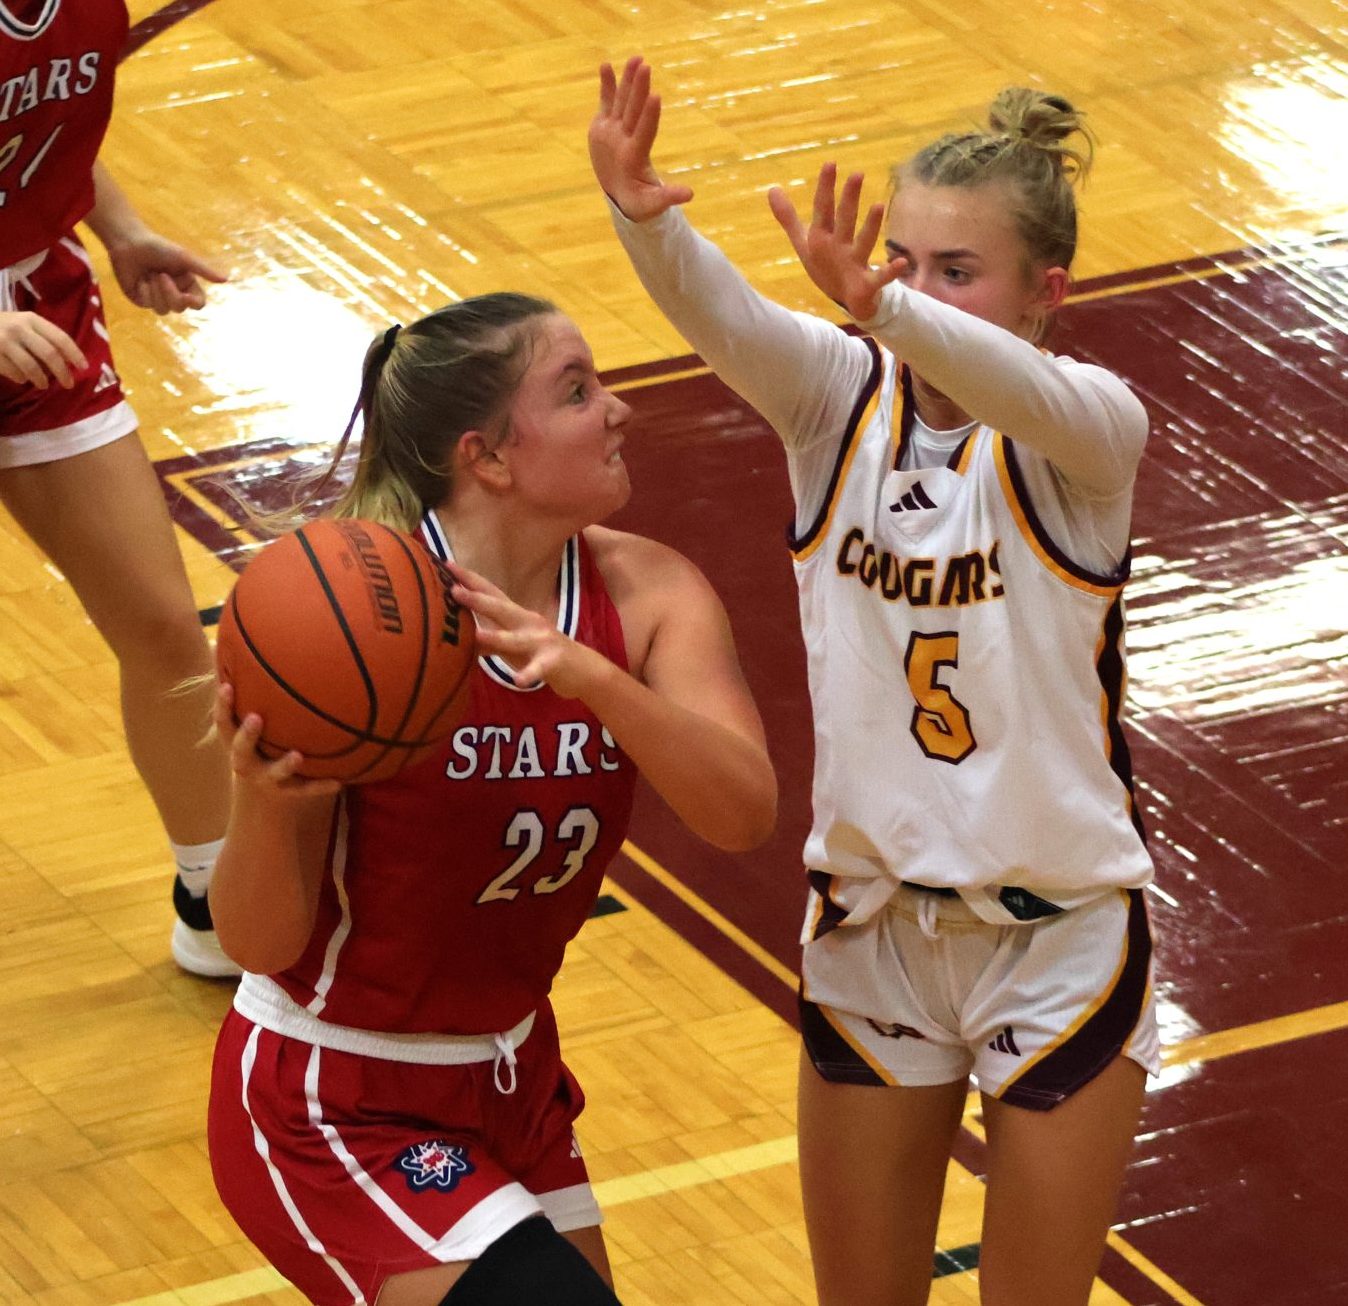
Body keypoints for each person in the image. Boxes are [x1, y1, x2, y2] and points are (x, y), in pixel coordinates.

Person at [589, 55, 1159, 1306]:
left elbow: (1010, 384)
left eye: (955, 270)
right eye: (899, 260)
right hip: (872, 931)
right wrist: (642, 215)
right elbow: (726, 317)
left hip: (1057, 945)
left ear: (1047, 293)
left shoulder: (1090, 431)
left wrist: (887, 310)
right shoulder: (837, 401)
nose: (905, 288)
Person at [204, 293, 778, 1305]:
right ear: (489, 458)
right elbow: (258, 943)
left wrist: (594, 679)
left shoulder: (649, 593)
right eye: (577, 391)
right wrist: (263, 800)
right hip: (337, 1096)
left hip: (512, 1077)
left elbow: (744, 814)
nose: (618, 409)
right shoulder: (356, 629)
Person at [0, 0, 234, 976]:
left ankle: (217, 900)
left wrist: (124, 229)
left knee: (163, 627)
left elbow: (43, 131)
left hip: (37, 305)